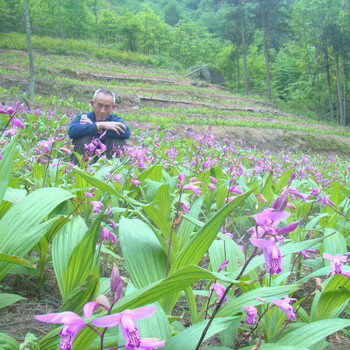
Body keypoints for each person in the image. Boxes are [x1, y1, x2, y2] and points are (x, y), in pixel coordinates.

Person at [68, 88, 130, 164]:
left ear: (113, 107)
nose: (102, 111)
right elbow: (72, 131)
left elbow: (126, 132)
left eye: (107, 107)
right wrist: (99, 125)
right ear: (92, 104)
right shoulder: (84, 118)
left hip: (107, 161)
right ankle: (79, 170)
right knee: (83, 137)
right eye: (99, 105)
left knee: (117, 140)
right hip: (85, 160)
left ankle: (114, 170)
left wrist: (99, 130)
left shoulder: (114, 119)